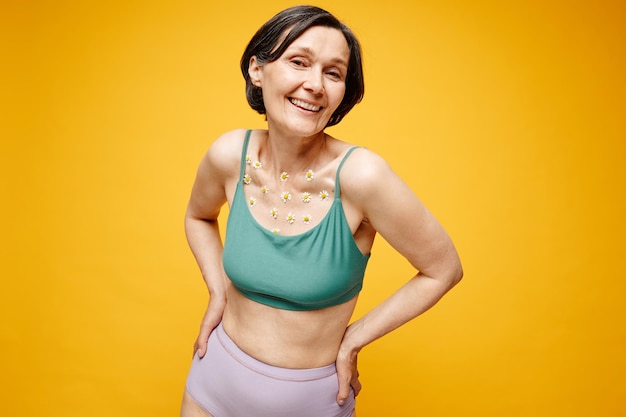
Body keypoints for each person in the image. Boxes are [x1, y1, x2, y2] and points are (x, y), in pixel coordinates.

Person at [180, 5, 463, 417]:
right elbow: (198, 216)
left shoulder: (362, 176)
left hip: (312, 402)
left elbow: (444, 268)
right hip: (212, 386)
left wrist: (354, 339)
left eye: (333, 73)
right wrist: (218, 290)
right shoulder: (229, 155)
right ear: (257, 71)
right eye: (299, 61)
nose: (315, 84)